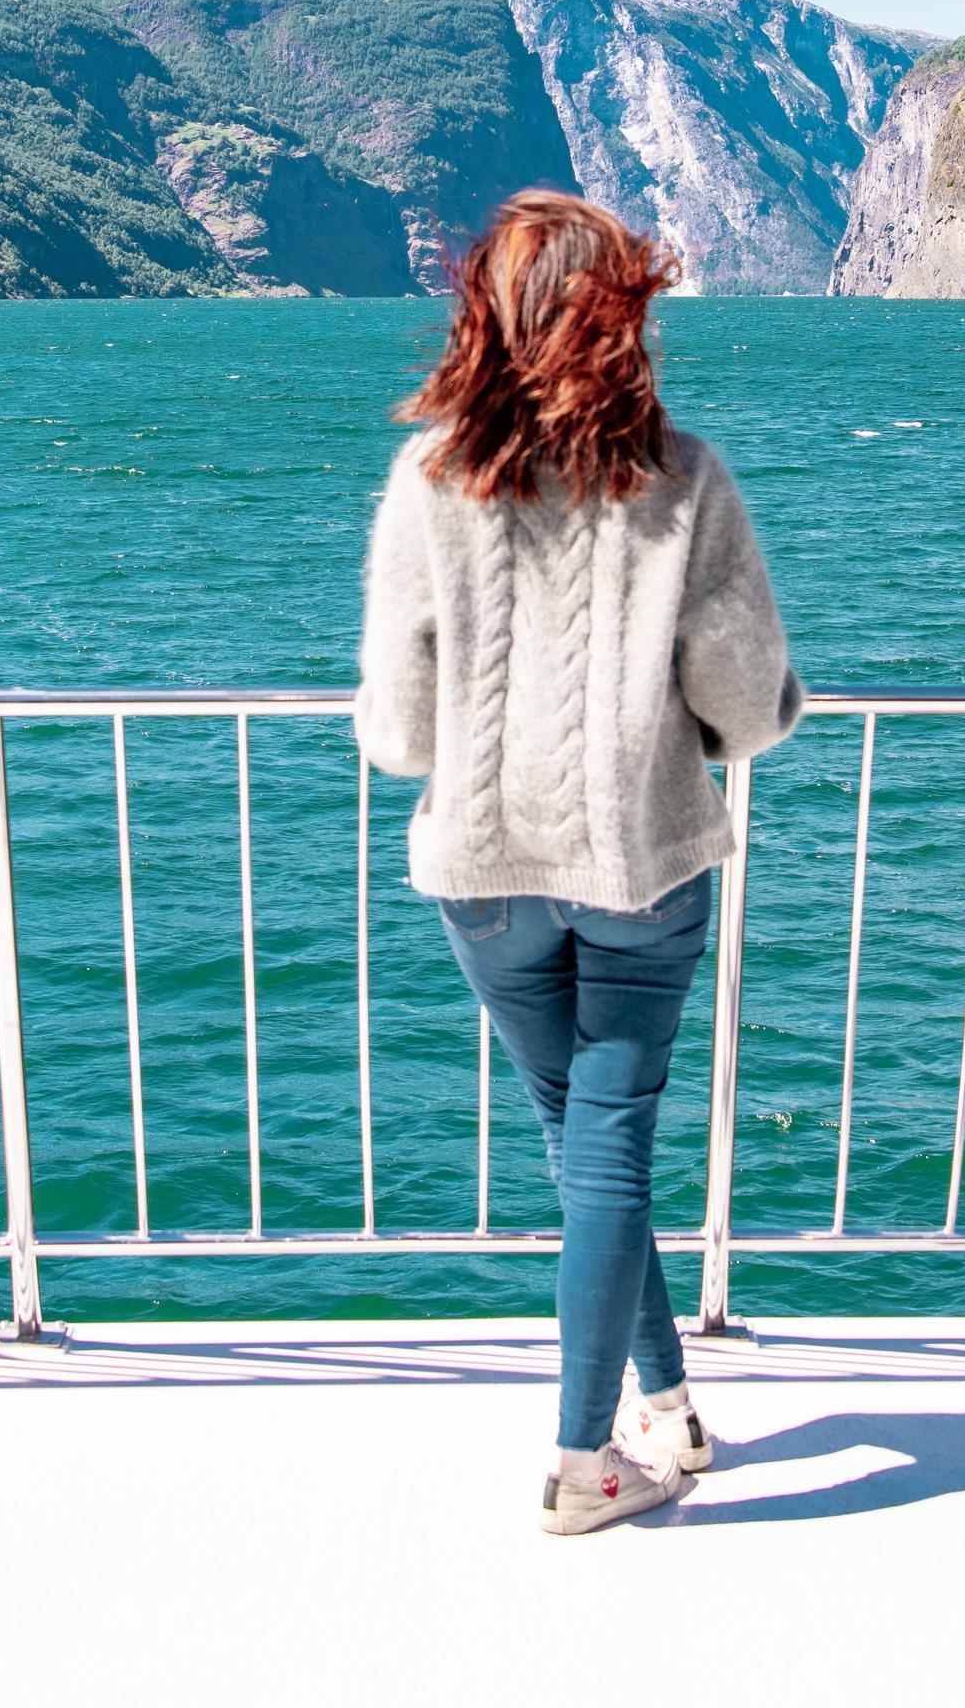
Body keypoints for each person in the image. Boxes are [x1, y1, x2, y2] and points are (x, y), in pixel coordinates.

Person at [356, 190, 802, 1535]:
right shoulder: (685, 478)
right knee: (605, 1154)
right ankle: (582, 1463)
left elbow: (399, 729)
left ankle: (663, 1402)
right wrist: (767, 715)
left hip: (485, 878)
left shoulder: (431, 479)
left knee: (581, 1149)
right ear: (621, 317)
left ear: (483, 317)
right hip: (640, 870)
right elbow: (741, 699)